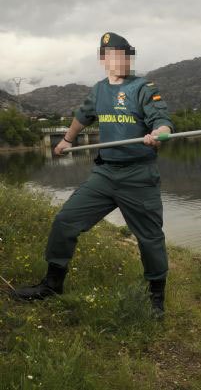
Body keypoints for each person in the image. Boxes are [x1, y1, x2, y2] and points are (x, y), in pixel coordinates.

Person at [13, 32, 174, 317]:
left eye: (122, 55)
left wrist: (158, 134)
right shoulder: (99, 90)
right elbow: (82, 115)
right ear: (103, 60)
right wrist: (67, 140)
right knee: (65, 221)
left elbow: (162, 121)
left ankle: (155, 299)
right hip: (105, 173)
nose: (117, 61)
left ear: (128, 58)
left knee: (150, 238)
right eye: (111, 55)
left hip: (139, 175)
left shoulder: (144, 88)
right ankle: (52, 283)